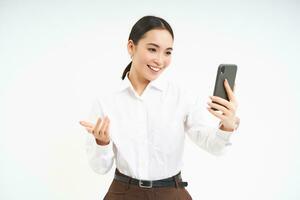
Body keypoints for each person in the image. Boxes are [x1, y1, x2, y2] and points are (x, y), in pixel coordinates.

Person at [79, 15, 239, 200]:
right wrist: (102, 143)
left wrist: (226, 126)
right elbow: (100, 168)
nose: (160, 60)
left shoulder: (181, 96)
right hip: (123, 193)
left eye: (167, 52)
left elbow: (215, 147)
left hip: (171, 193)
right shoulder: (106, 101)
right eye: (153, 49)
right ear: (131, 47)